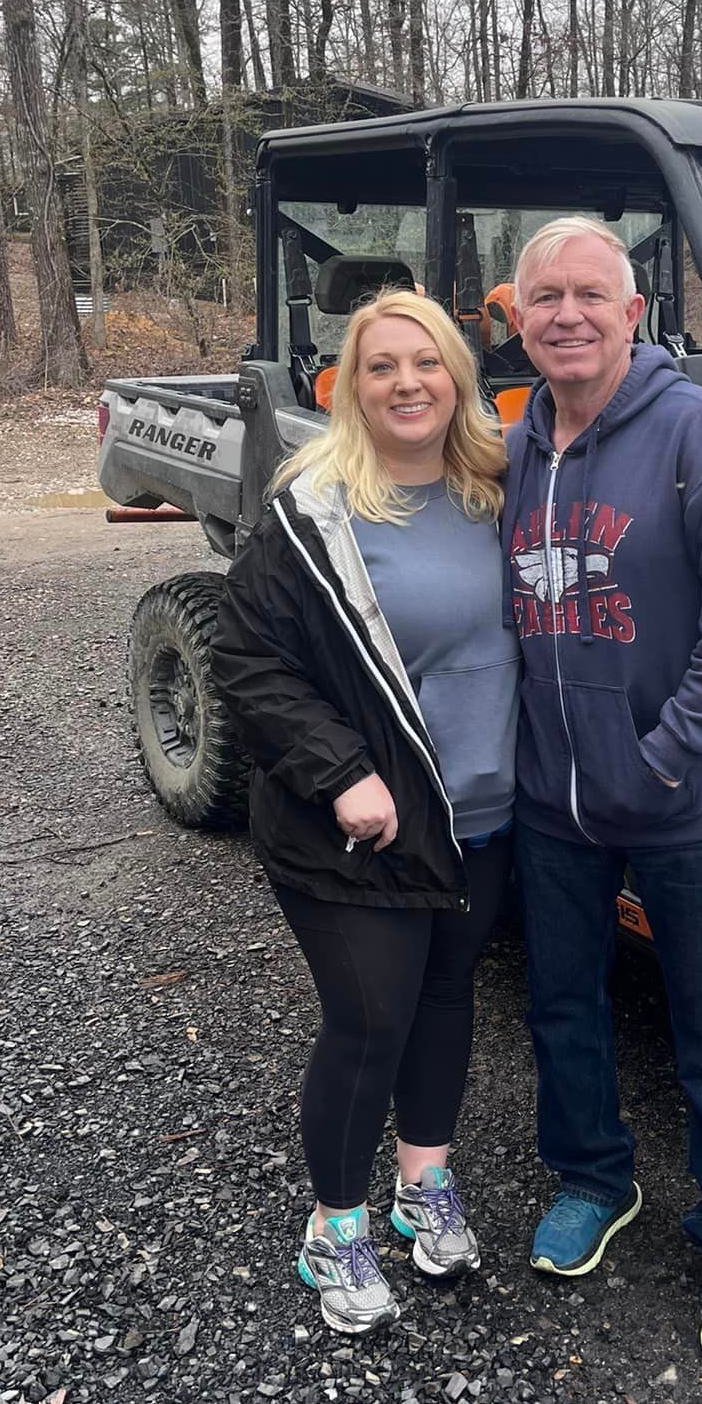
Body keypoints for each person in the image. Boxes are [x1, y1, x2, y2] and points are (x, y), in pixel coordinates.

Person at [502, 217, 702, 1367]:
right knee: (562, 1009)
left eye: (590, 293)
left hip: (688, 802)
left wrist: (665, 758)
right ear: (517, 318)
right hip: (554, 804)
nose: (567, 313)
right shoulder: (518, 447)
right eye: (545, 297)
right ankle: (593, 1177)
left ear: (635, 313)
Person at [211, 289, 520, 1337]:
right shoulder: (314, 509)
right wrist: (341, 768)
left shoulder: (497, 488)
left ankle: (423, 1181)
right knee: (370, 1018)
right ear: (350, 384)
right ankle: (334, 1227)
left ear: (458, 378)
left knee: (444, 1000)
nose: (407, 383)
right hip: (360, 823)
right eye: (382, 365)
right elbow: (247, 659)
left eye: (426, 362)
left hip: (482, 809)